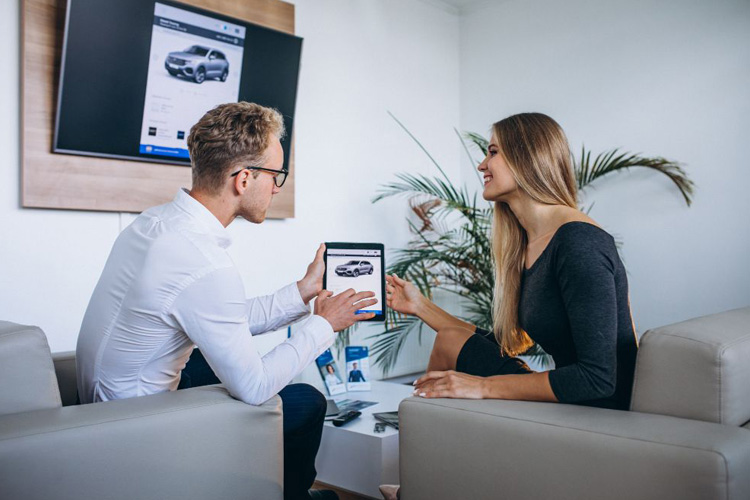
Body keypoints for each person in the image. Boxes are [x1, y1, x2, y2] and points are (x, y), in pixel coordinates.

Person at [76, 102, 377, 500]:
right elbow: (253, 388)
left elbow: (220, 317)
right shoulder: (203, 261)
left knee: (209, 358)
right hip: (138, 427)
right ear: (244, 178)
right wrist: (323, 324)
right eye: (275, 175)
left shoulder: (155, 222)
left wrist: (303, 291)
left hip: (109, 403)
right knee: (305, 400)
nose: (276, 187)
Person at [379, 112, 638, 500]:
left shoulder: (578, 242)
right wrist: (420, 306)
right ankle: (423, 479)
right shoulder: (529, 243)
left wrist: (483, 387)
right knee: (451, 340)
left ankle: (421, 484)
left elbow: (599, 378)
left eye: (493, 152)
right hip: (574, 394)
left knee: (459, 369)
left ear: (526, 157)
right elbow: (502, 342)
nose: (482, 164)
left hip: (598, 407)